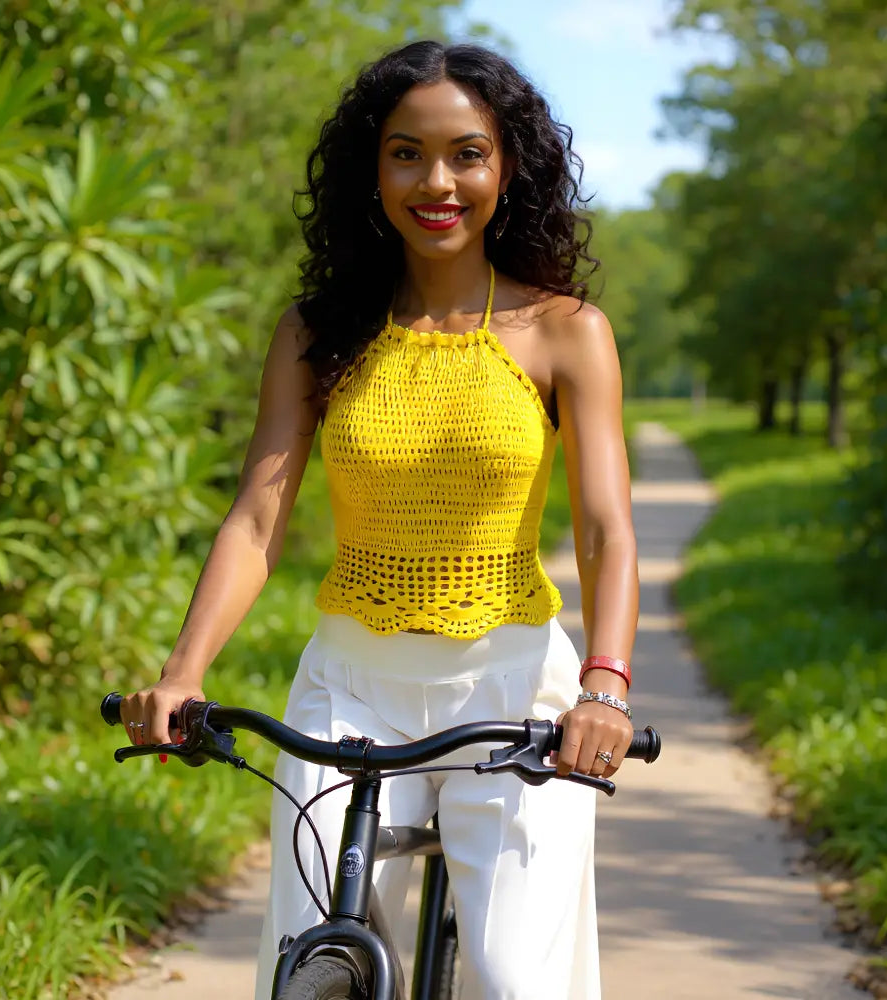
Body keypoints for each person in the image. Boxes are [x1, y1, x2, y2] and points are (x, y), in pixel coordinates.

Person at [119, 39, 638, 1000]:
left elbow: (605, 530)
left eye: (466, 154)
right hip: (350, 691)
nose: (435, 181)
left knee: (516, 979)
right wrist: (182, 673)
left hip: (513, 696)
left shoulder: (566, 331)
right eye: (406, 152)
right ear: (373, 167)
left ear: (507, 166)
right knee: (317, 963)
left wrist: (603, 687)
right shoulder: (319, 333)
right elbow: (257, 520)